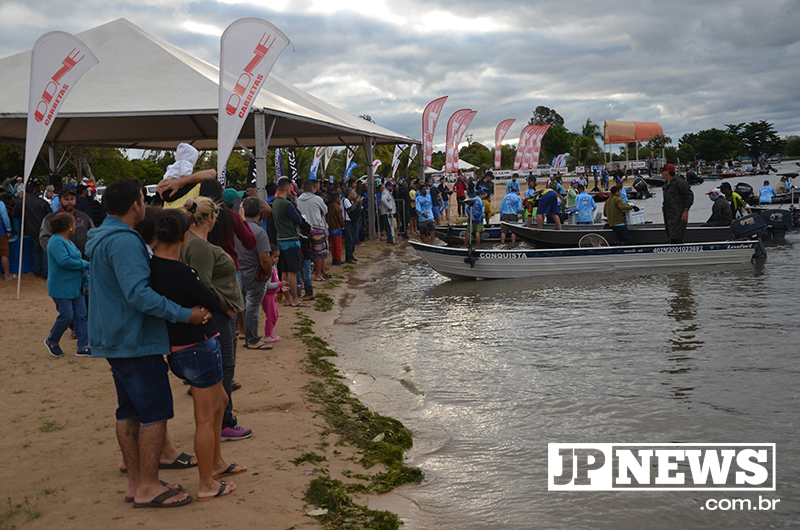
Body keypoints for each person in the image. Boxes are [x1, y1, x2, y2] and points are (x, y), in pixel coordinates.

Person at [85, 179, 205, 508]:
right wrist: (185, 314)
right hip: (134, 339)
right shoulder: (124, 242)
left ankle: (136, 483)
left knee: (130, 412)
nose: (144, 204)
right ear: (136, 205)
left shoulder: (104, 237)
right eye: (142, 199)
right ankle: (148, 486)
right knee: (154, 411)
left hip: (116, 339)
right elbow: (138, 294)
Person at [150, 208, 244, 502]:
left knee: (221, 402)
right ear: (185, 237)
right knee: (205, 416)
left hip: (186, 347)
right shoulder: (178, 270)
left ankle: (216, 463)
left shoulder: (153, 267)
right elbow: (210, 298)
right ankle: (206, 483)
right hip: (196, 347)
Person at [44, 212, 90, 358]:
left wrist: (85, 279)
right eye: (74, 224)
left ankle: (83, 346)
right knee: (66, 316)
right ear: (69, 226)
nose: (76, 226)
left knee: (81, 315)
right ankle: (52, 340)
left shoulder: (69, 241)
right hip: (61, 287)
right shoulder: (56, 241)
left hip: (76, 286)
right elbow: (64, 261)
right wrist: (85, 263)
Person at [235, 196, 273, 350]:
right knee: (252, 308)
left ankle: (247, 335)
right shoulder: (259, 231)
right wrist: (268, 273)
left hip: (238, 273)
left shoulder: (235, 229)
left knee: (244, 307)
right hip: (255, 275)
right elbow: (264, 258)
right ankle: (252, 340)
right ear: (259, 212)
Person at [272, 177, 312, 305]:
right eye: (290, 188)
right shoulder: (286, 204)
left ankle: (288, 299)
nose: (291, 191)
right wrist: (308, 227)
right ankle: (295, 299)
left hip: (281, 240)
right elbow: (299, 220)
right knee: (293, 272)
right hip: (291, 240)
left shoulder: (276, 203)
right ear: (286, 188)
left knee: (285, 271)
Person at [40, 187, 95, 259]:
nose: (70, 202)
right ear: (59, 201)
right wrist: (57, 252)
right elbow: (44, 239)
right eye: (66, 199)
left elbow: (94, 235)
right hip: (62, 261)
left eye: (72, 199)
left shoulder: (84, 217)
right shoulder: (51, 219)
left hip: (85, 260)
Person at [12, 181, 52, 278]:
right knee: (45, 250)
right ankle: (46, 272)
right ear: (34, 190)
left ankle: (37, 271)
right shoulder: (42, 202)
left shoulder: (21, 202)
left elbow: (15, 214)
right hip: (44, 229)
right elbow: (50, 215)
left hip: (31, 229)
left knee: (36, 250)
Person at [296, 180, 328, 280]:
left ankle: (306, 276)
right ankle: (318, 274)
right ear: (313, 188)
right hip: (317, 228)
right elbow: (325, 210)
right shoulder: (317, 199)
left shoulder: (298, 199)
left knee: (307, 253)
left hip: (304, 229)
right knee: (319, 252)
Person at [661, 163, 694, 244]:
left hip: (678, 215)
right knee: (671, 235)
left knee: (677, 237)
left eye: (663, 171)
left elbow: (689, 195)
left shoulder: (679, 182)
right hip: (669, 216)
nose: (661, 173)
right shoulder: (666, 184)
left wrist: (686, 211)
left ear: (667, 171)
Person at [261, 247, 288, 343]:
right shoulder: (269, 269)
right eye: (275, 257)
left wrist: (280, 288)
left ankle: (270, 333)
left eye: (278, 257)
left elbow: (275, 281)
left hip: (272, 295)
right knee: (271, 315)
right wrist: (280, 284)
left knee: (275, 315)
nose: (277, 259)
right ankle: (268, 335)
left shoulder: (274, 267)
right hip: (267, 296)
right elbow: (268, 285)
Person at [342, 187, 361, 264]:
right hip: (346, 221)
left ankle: (351, 255)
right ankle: (348, 257)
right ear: (349, 194)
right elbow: (351, 209)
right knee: (349, 239)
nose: (354, 195)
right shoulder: (346, 200)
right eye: (353, 193)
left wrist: (358, 203)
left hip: (351, 221)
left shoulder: (351, 201)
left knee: (352, 238)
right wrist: (356, 202)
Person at [0, 193, 16, 280]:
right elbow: (5, 217)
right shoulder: (1, 204)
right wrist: (9, 230)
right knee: (4, 254)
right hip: (1, 232)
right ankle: (7, 275)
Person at [326, 192, 344, 265]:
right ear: (337, 199)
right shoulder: (338, 208)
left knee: (333, 245)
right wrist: (343, 225)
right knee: (338, 245)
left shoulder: (329, 207)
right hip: (337, 227)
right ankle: (337, 259)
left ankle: (334, 258)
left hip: (331, 227)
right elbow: (340, 218)